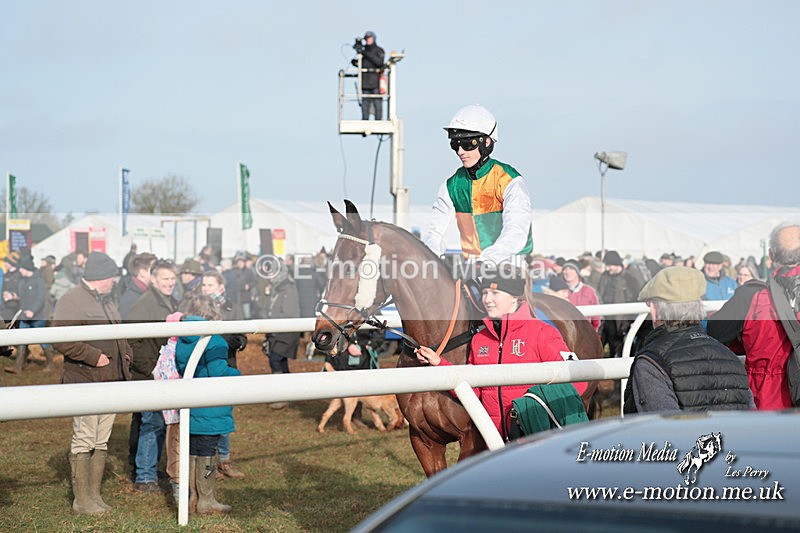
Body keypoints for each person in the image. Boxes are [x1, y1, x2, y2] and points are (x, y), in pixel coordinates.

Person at [415, 265, 586, 441]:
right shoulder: (479, 339)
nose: (487, 299)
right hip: (494, 441)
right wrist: (439, 363)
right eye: (484, 293)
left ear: (514, 297)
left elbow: (578, 380)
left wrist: (535, 412)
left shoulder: (543, 332)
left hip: (536, 439)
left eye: (495, 293)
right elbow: (474, 392)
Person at [51, 252, 132, 514]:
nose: (115, 281)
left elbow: (118, 334)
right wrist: (92, 356)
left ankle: (94, 496)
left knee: (101, 440)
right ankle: (82, 501)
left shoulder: (107, 300)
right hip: (85, 380)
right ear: (101, 277)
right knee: (85, 439)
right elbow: (60, 338)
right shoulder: (71, 300)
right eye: (112, 277)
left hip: (109, 381)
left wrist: (126, 354)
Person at [623, 266, 753, 413]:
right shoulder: (729, 357)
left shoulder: (651, 364)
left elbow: (663, 424)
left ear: (654, 310)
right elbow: (749, 417)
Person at [423, 104, 533, 267]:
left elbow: (516, 231)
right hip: (471, 268)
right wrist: (431, 260)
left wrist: (486, 261)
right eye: (455, 144)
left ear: (486, 142)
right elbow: (435, 233)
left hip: (510, 266)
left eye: (467, 144)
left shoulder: (511, 181)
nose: (460, 151)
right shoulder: (451, 185)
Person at [707, 222, 800, 410]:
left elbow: (715, 332)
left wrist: (742, 340)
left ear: (771, 256)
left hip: (766, 398)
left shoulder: (751, 296)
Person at [175, 295, 240, 514]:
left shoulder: (183, 337)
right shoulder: (215, 340)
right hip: (211, 406)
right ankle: (206, 499)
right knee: (208, 453)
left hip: (191, 402)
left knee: (193, 449)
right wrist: (237, 374)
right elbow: (218, 372)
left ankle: (192, 496)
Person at [126, 259, 179, 493]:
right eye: (165, 278)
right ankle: (145, 476)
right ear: (154, 279)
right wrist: (151, 368)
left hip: (161, 374)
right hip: (150, 375)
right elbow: (131, 341)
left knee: (157, 422)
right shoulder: (146, 304)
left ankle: (150, 469)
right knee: (152, 422)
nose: (170, 282)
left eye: (172, 278)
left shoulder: (169, 301)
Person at [200, 270, 247, 480]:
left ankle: (224, 461)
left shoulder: (233, 307)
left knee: (223, 415)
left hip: (225, 363)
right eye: (204, 285)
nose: (205, 289)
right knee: (206, 417)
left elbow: (241, 335)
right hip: (203, 368)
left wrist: (234, 341)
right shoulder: (197, 306)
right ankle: (208, 464)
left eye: (210, 285)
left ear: (220, 287)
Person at [261, 259, 300, 409]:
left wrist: (273, 327)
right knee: (281, 362)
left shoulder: (288, 288)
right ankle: (287, 394)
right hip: (276, 331)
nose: (270, 275)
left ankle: (282, 395)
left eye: (273, 272)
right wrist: (266, 295)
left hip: (285, 332)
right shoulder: (275, 289)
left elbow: (287, 313)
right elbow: (266, 309)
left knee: (276, 360)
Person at [5, 256, 50, 373]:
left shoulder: (38, 281)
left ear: (27, 269)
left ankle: (51, 364)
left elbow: (41, 298)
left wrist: (32, 311)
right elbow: (21, 297)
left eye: (21, 268)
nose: (19, 270)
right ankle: (18, 366)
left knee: (43, 341)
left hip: (37, 318)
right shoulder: (22, 282)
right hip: (24, 318)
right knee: (22, 341)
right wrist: (13, 297)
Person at [597, 250, 643, 357]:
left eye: (609, 265)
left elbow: (635, 300)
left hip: (619, 320)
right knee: (599, 346)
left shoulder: (630, 279)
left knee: (617, 348)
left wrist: (627, 322)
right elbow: (599, 294)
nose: (607, 268)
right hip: (604, 317)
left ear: (617, 264)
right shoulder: (604, 276)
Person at [352, 30, 385, 120]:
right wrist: (355, 61)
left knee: (377, 102)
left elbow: (379, 62)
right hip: (365, 82)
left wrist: (364, 53)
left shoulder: (378, 50)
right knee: (365, 103)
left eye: (369, 38)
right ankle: (365, 120)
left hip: (375, 82)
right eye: (366, 38)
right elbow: (363, 64)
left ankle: (378, 120)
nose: (368, 40)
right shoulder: (363, 52)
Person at [561, 260, 601, 331]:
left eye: (571, 269)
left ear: (577, 272)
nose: (567, 272)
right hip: (565, 331)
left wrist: (594, 330)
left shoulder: (588, 290)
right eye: (565, 269)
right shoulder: (559, 291)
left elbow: (596, 315)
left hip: (585, 330)